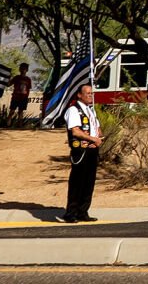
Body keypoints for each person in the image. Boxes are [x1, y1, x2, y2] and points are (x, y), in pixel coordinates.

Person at [60, 82, 103, 222]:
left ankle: (82, 211)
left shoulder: (91, 110)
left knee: (89, 182)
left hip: (92, 150)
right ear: (79, 95)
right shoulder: (74, 110)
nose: (91, 96)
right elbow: (75, 131)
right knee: (77, 181)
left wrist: (98, 137)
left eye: (92, 93)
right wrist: (92, 139)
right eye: (88, 93)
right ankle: (71, 213)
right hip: (80, 151)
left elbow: (97, 129)